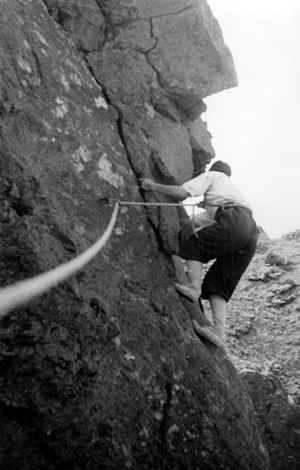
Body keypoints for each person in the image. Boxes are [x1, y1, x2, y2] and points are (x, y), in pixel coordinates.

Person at [140, 161, 258, 348]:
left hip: (233, 220)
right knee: (219, 282)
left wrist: (152, 186)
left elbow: (182, 193)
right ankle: (218, 333)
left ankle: (194, 288)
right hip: (249, 232)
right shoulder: (229, 194)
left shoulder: (214, 176)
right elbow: (193, 223)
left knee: (193, 244)